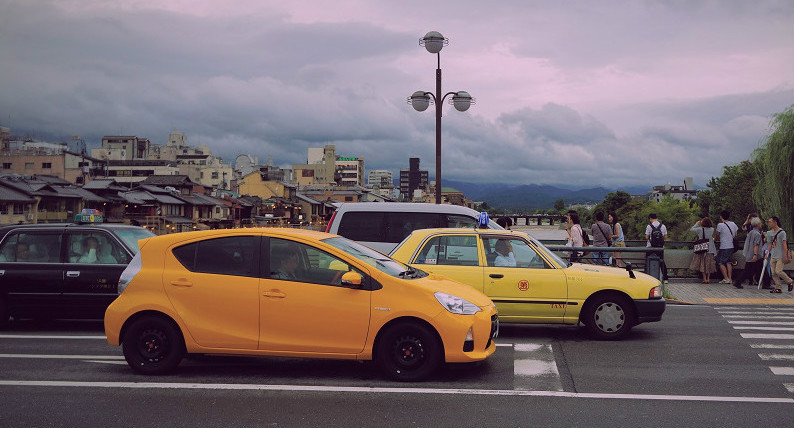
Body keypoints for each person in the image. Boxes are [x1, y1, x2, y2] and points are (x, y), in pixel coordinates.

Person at [733, 216, 763, 289]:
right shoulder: (757, 234)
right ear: (758, 224)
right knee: (748, 270)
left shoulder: (751, 232)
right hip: (755, 255)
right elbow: (756, 245)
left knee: (754, 269)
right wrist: (755, 254)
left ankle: (738, 282)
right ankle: (738, 282)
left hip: (749, 253)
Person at [766, 216, 793, 293]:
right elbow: (770, 244)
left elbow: (784, 245)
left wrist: (785, 255)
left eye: (770, 222)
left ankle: (790, 281)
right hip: (773, 254)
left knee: (778, 271)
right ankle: (778, 287)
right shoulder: (770, 232)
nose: (769, 223)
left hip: (780, 255)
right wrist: (767, 253)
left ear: (775, 222)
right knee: (773, 273)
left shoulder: (782, 232)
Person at [689, 217, 717, 284]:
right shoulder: (712, 229)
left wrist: (697, 224)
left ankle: (704, 279)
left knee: (703, 264)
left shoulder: (700, 229)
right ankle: (708, 279)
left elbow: (691, 229)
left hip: (702, 249)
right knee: (709, 264)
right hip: (710, 249)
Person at [714, 210, 738, 284]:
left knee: (720, 262)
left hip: (724, 246)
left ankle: (726, 278)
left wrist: (714, 240)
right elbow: (736, 234)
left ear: (721, 217)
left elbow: (717, 235)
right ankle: (730, 278)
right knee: (728, 262)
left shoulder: (720, 225)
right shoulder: (733, 224)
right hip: (731, 246)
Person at [645, 213, 668, 283]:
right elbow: (665, 237)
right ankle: (665, 278)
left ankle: (647, 277)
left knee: (648, 261)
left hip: (650, 247)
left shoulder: (649, 226)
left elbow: (646, 237)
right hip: (659, 248)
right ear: (657, 218)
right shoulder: (663, 226)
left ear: (650, 218)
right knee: (661, 262)